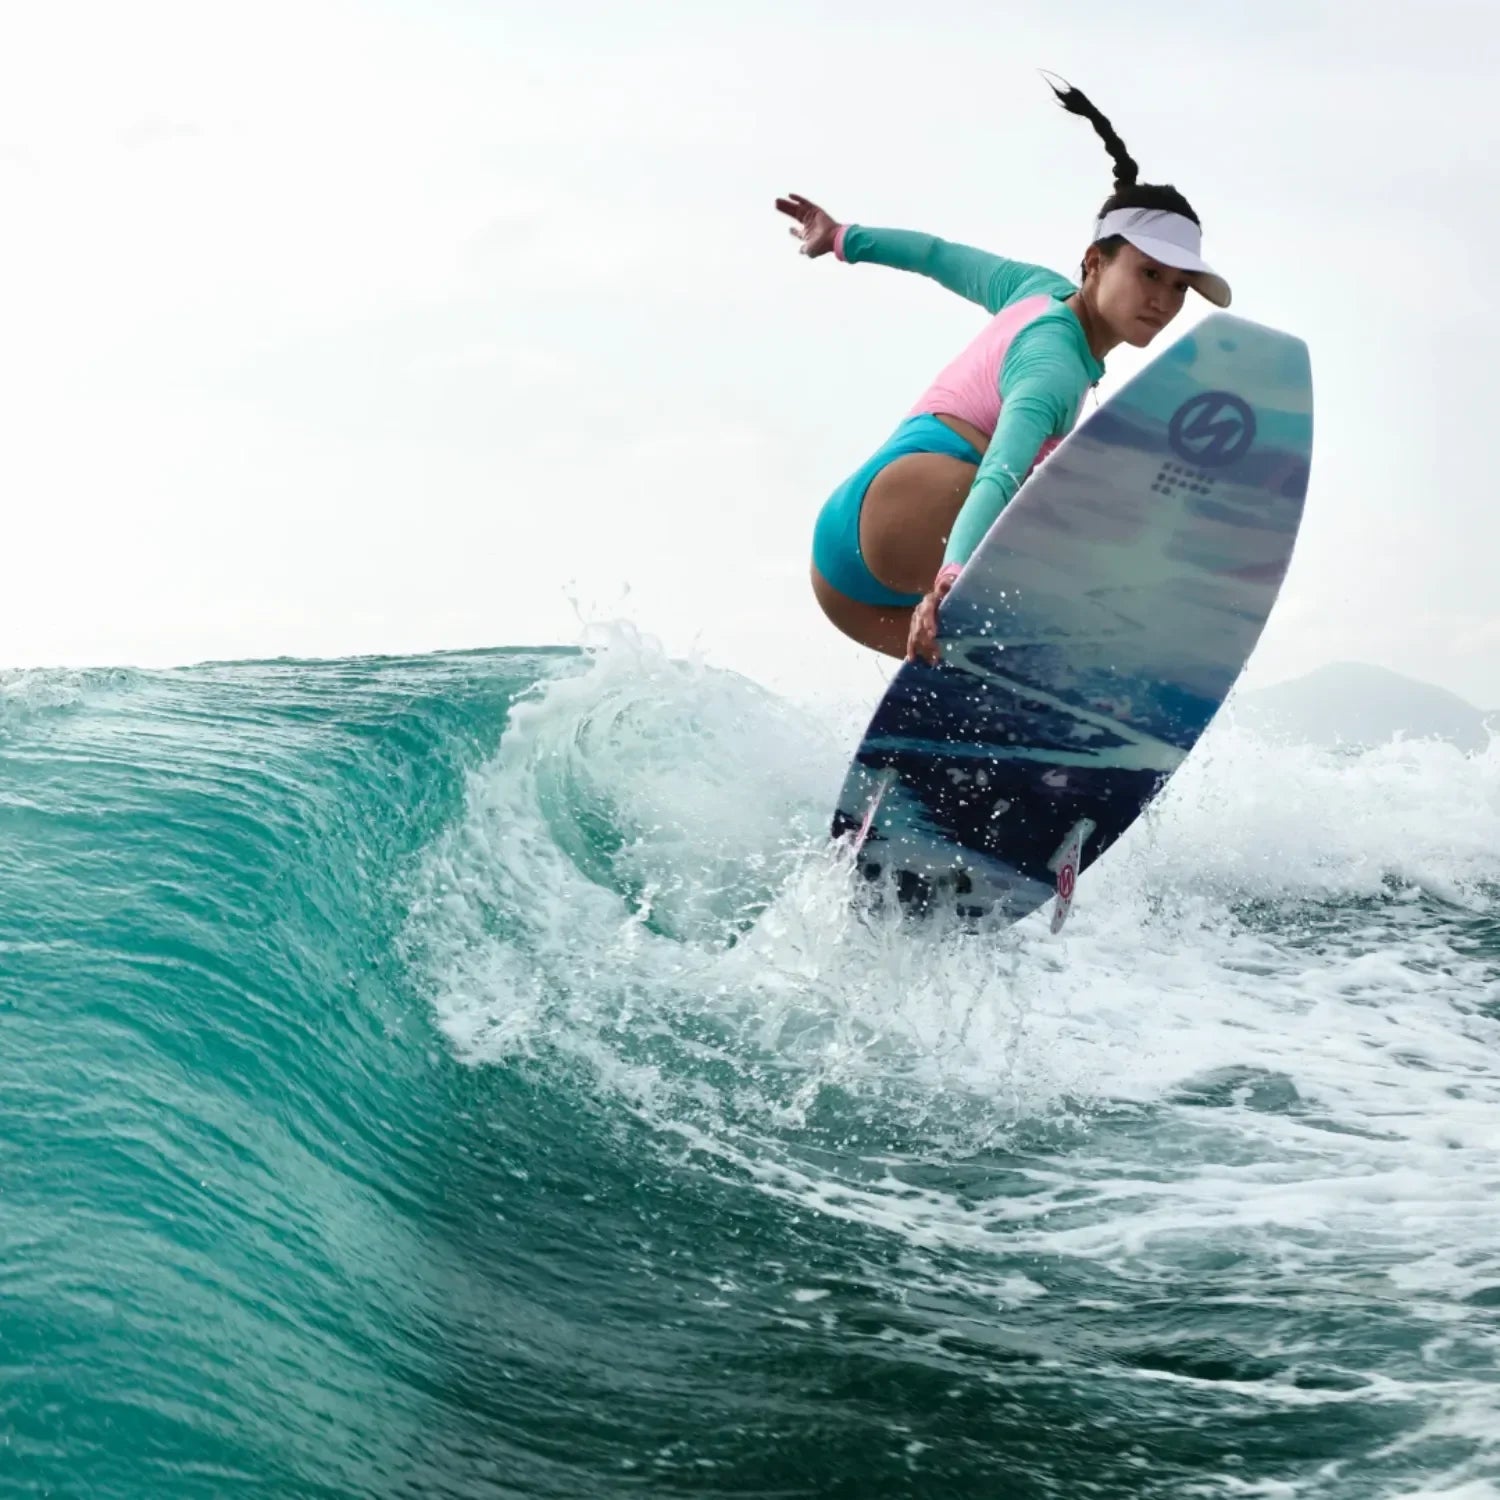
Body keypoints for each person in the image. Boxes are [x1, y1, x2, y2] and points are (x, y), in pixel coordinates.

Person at [777, 79, 1231, 667]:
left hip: (844, 575)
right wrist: (954, 580)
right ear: (1095, 262)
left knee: (992, 683)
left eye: (1179, 287)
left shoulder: (1034, 290)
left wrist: (841, 238)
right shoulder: (1055, 364)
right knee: (1097, 548)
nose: (1165, 301)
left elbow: (938, 256)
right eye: (1149, 274)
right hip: (918, 516)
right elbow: (1001, 472)